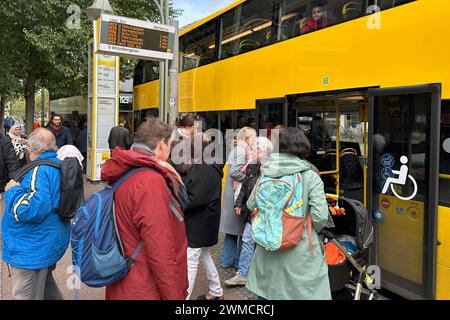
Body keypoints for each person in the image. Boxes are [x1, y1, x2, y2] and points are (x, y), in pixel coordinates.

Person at [101, 116, 189, 300]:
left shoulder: (127, 169)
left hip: (125, 280)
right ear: (162, 144)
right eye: (171, 145)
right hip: (144, 287)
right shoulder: (150, 181)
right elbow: (160, 249)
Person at [245, 127, 331, 300]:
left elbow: (250, 203)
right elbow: (320, 216)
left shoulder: (266, 171)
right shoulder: (310, 175)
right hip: (300, 252)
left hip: (267, 248)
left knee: (267, 293)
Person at [1, 128, 71, 300]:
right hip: (45, 243)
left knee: (26, 294)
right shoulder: (55, 165)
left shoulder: (40, 170)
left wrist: (12, 190)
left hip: (32, 248)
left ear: (32, 147)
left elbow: (30, 209)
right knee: (46, 289)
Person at [225, 137, 273, 287]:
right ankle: (243, 274)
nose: (251, 152)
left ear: (262, 152)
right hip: (252, 214)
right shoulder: (252, 166)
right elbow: (245, 187)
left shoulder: (270, 169)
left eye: (254, 150)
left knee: (259, 244)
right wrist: (239, 203)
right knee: (247, 241)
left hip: (263, 213)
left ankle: (257, 274)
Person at [183, 134, 224, 300]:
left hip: (199, 222)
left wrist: (179, 204)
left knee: (191, 259)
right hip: (206, 220)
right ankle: (216, 290)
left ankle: (183, 297)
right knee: (203, 255)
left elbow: (195, 198)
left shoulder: (205, 168)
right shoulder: (208, 165)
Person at [219, 126, 256, 269]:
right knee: (238, 230)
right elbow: (235, 172)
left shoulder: (238, 149)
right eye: (253, 137)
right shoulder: (242, 150)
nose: (254, 140)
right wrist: (249, 179)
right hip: (236, 195)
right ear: (247, 138)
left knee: (233, 231)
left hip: (232, 194)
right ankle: (234, 261)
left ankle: (228, 260)